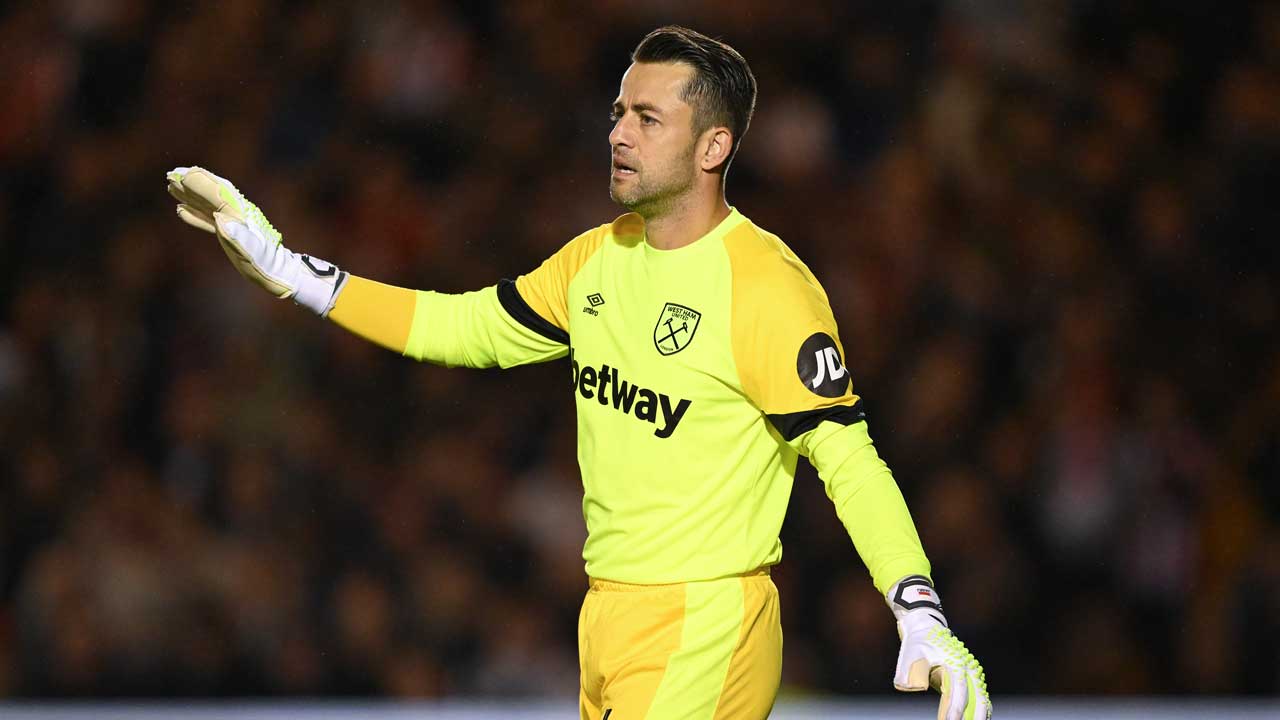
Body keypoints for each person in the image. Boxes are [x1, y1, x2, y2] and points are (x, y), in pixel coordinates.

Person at [166, 25, 990, 720]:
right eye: (618, 112)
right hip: (609, 614)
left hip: (707, 618)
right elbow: (468, 326)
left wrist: (917, 611)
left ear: (714, 146)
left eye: (647, 118)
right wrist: (292, 273)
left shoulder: (767, 288)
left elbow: (846, 455)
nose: (619, 133)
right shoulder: (597, 260)